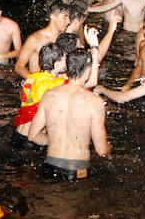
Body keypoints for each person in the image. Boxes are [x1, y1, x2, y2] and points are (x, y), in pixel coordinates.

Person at [27, 47, 110, 180]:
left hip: (50, 167)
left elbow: (32, 136)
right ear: (88, 70)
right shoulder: (94, 102)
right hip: (77, 170)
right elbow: (101, 151)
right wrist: (109, 148)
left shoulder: (50, 95)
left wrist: (56, 140)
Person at [12, 43, 66, 149]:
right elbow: (86, 83)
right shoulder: (55, 83)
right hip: (33, 141)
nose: (66, 62)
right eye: (64, 59)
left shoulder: (31, 77)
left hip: (17, 134)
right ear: (56, 62)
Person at [15, 2, 72, 77]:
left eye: (69, 17)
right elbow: (19, 67)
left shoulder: (65, 39)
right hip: (39, 86)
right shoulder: (35, 39)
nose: (68, 21)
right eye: (65, 16)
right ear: (53, 17)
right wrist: (36, 81)